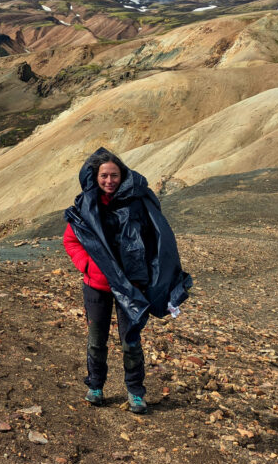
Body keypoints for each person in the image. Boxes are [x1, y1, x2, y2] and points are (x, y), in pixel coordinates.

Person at [63, 148, 192, 413]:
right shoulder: (86, 204)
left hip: (131, 286)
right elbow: (71, 239)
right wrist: (86, 264)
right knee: (96, 340)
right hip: (96, 285)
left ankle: (135, 392)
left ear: (122, 176)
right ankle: (95, 386)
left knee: (130, 340)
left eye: (114, 175)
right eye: (104, 176)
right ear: (95, 176)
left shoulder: (138, 203)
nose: (109, 181)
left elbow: (157, 239)